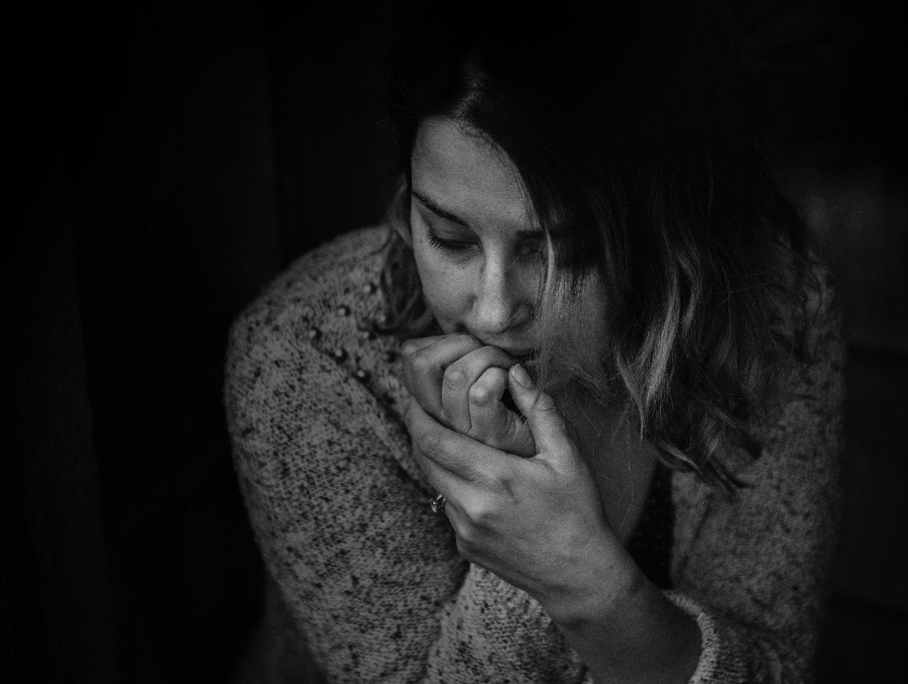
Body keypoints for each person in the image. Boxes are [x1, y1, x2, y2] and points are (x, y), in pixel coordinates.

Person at [225, 1, 844, 682]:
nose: (492, 311)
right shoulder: (307, 357)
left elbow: (777, 668)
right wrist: (520, 565)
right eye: (450, 238)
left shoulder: (768, 304)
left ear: (670, 233)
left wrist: (584, 582)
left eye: (565, 252)